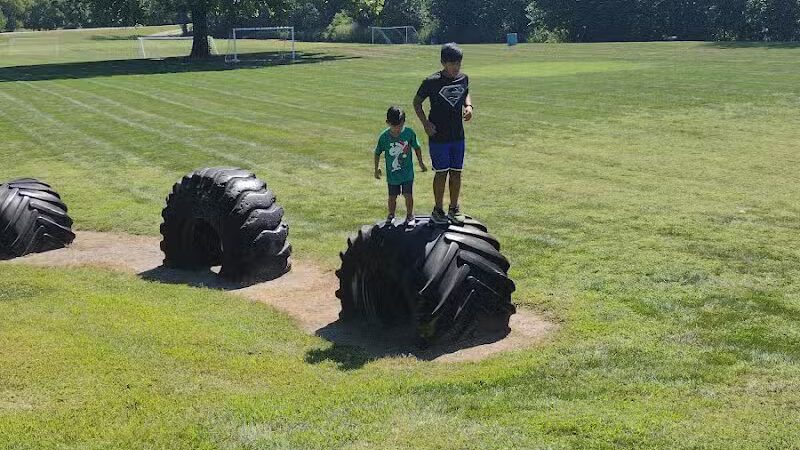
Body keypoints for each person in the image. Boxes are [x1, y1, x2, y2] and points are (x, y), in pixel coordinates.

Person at [413, 42, 473, 225]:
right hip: (439, 136)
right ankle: (438, 210)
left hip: (457, 136)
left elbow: (465, 93)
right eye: (452, 63)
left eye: (458, 64)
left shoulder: (463, 78)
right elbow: (416, 102)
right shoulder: (431, 82)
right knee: (441, 173)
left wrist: (469, 106)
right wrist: (425, 124)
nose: (456, 67)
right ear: (443, 62)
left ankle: (454, 209)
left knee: (456, 172)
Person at [374, 106, 428, 223]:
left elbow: (417, 148)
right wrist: (376, 168)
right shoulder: (384, 137)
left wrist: (421, 163)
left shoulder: (409, 133)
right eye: (394, 126)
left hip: (407, 173)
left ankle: (410, 215)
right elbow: (377, 152)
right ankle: (391, 215)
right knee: (392, 197)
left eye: (400, 125)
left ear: (404, 122)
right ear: (388, 123)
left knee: (408, 194)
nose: (397, 129)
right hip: (392, 174)